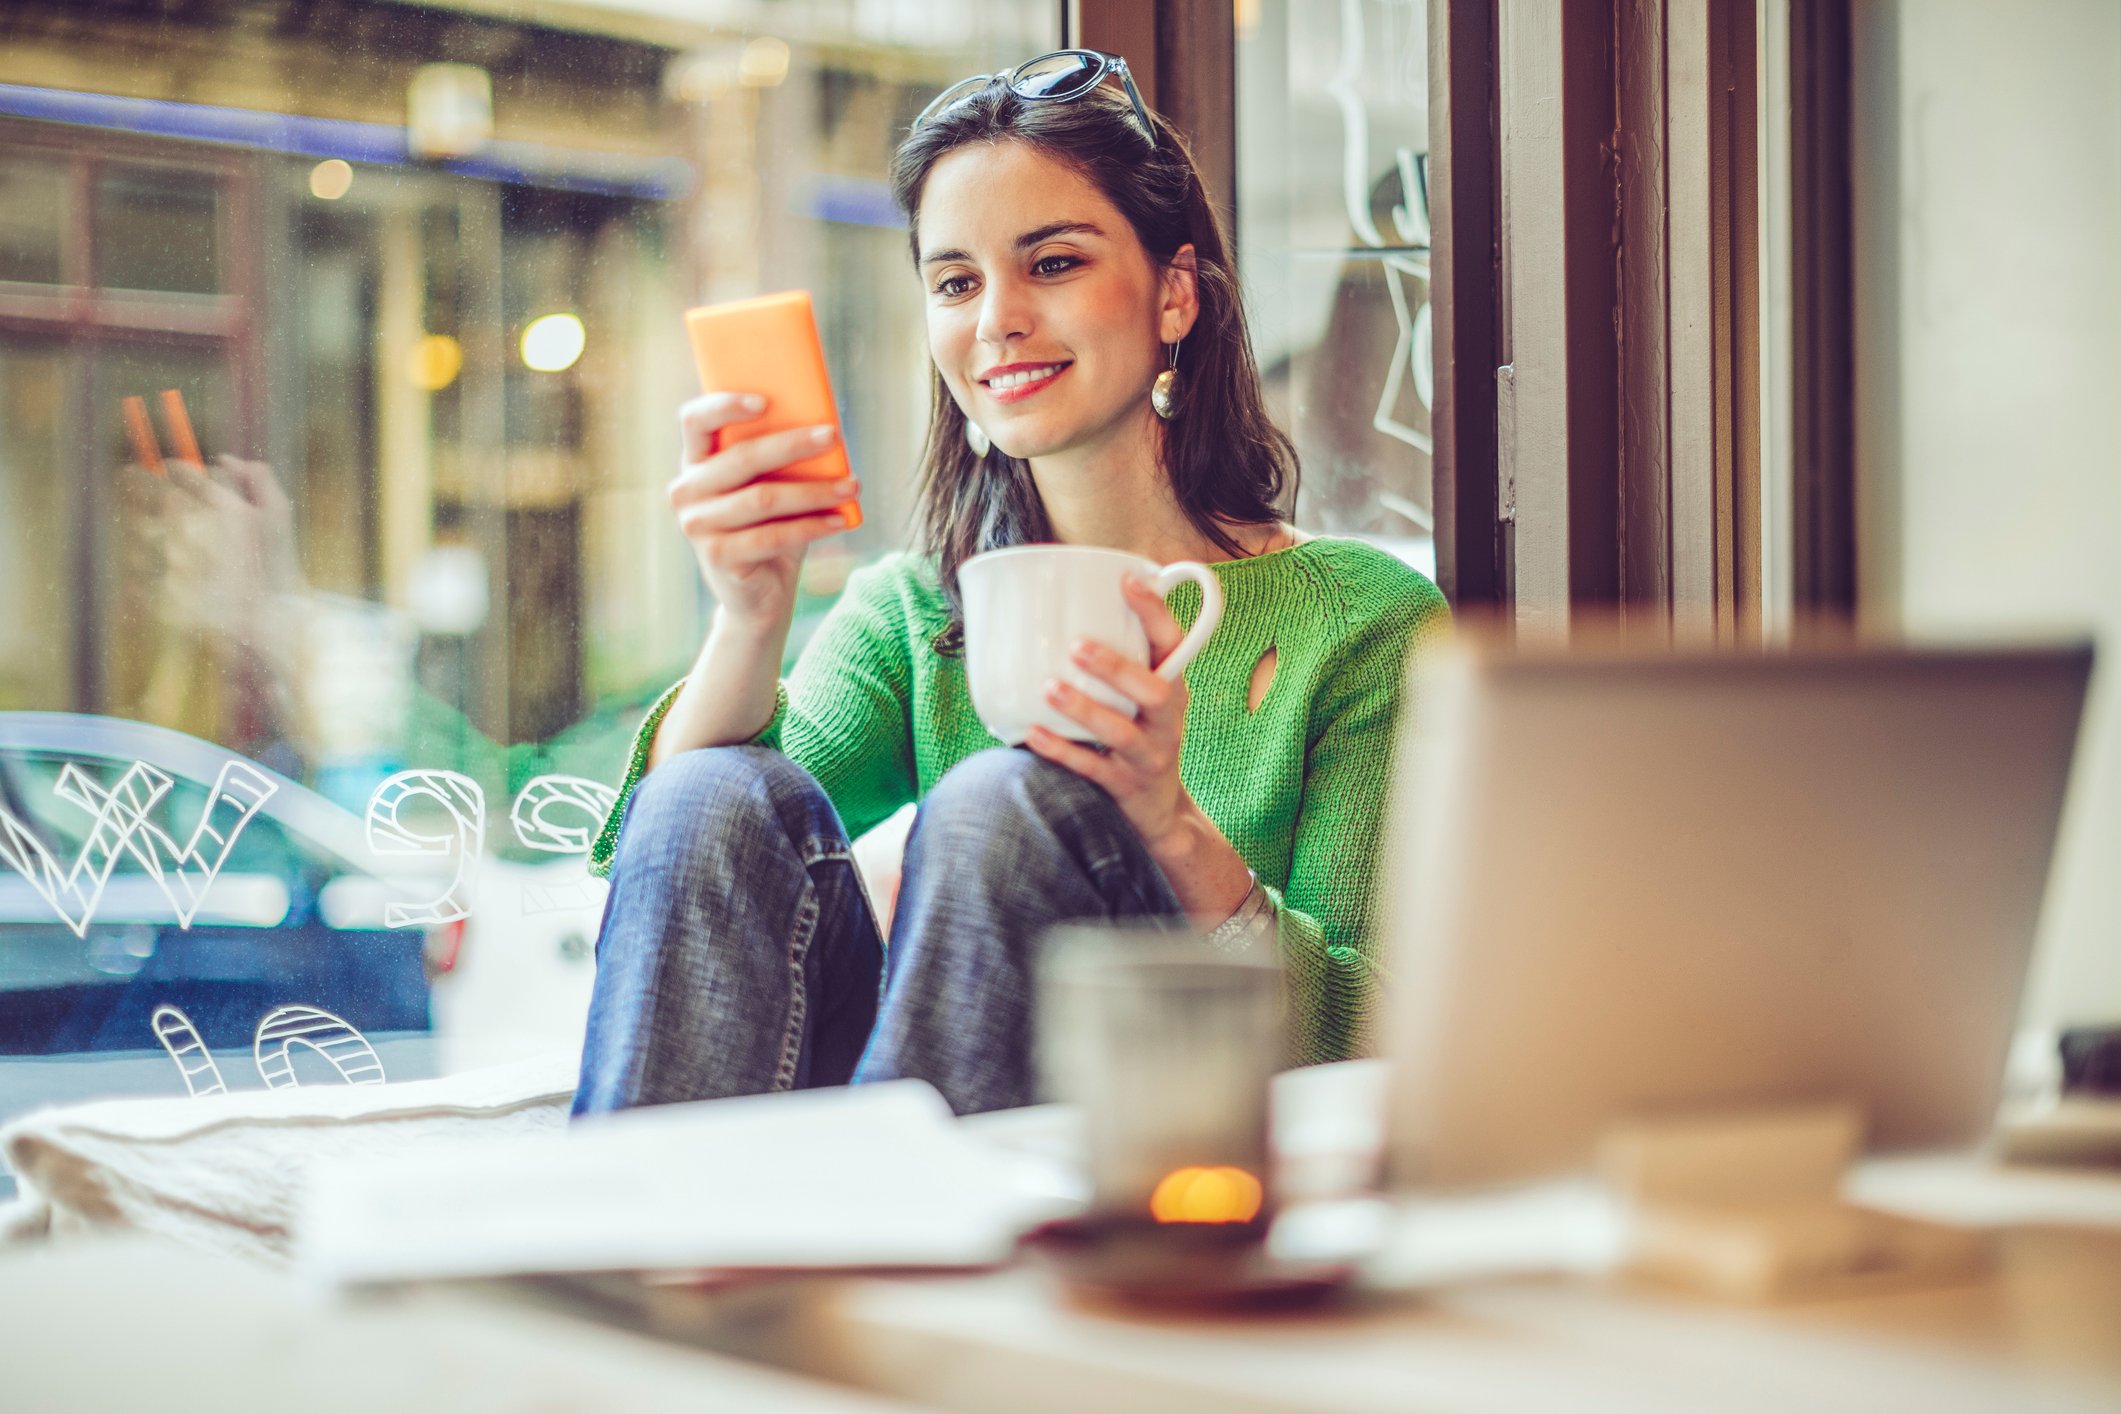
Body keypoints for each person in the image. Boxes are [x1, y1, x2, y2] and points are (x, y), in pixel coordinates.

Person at [573, 51, 1448, 1118]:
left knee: (1000, 800)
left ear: (1174, 294)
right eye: (956, 282)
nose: (995, 318)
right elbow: (684, 863)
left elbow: (1373, 1032)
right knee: (708, 789)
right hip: (911, 1124)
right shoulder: (914, 612)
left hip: (1164, 1130)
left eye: (1053, 263)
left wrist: (1166, 823)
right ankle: (659, 1218)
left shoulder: (1361, 623)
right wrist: (748, 620)